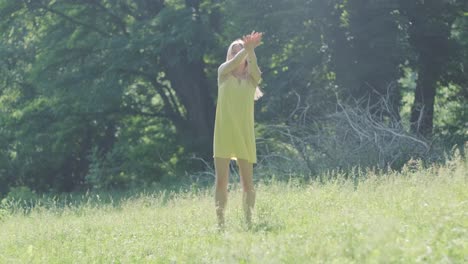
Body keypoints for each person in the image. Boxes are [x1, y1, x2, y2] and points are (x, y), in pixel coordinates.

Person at [213, 31, 263, 229]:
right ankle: (221, 224)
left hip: (244, 135)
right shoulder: (223, 74)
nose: (237, 55)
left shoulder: (252, 79)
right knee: (221, 182)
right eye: (234, 51)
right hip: (224, 133)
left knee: (247, 184)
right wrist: (247, 49)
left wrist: (250, 51)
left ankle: (249, 223)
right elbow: (233, 63)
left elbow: (257, 71)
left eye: (239, 50)